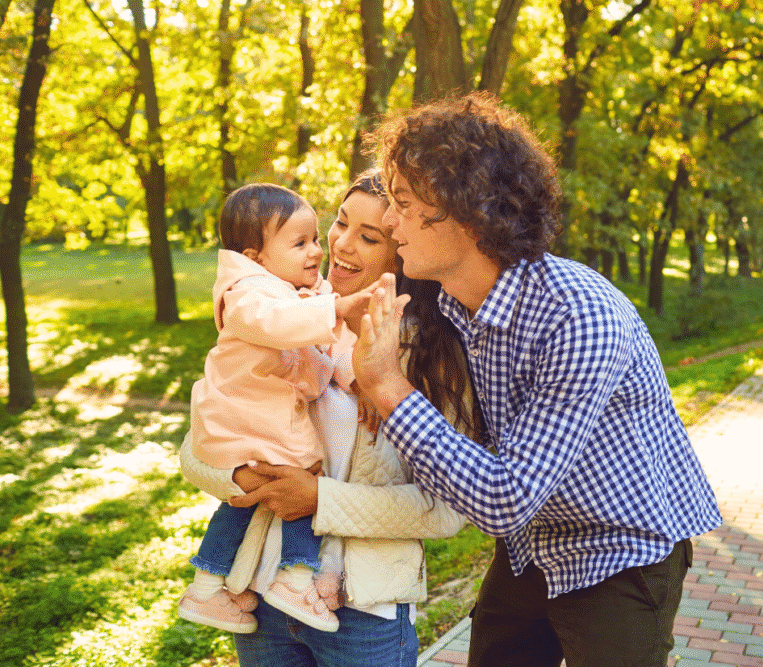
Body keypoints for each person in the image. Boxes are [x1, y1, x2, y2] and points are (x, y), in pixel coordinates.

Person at [352, 92, 723, 667]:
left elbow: (503, 497)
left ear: (465, 212)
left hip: (621, 545)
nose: (389, 218)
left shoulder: (578, 316)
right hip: (534, 541)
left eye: (402, 201)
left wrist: (386, 388)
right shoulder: (453, 303)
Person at [179, 169, 477, 667]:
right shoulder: (283, 315)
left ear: (403, 248)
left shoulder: (433, 356)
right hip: (261, 594)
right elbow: (197, 450)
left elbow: (445, 509)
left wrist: (317, 499)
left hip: (362, 610)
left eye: (369, 236)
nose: (340, 244)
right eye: (339, 223)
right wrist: (244, 476)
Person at [181, 183, 360, 634]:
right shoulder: (248, 293)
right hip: (247, 419)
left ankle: (206, 586)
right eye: (300, 243)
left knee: (245, 502)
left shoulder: (277, 290)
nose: (317, 251)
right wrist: (334, 308)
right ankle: (297, 577)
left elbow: (316, 360)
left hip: (242, 420)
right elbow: (280, 325)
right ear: (255, 256)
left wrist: (359, 376)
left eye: (315, 238)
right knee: (304, 473)